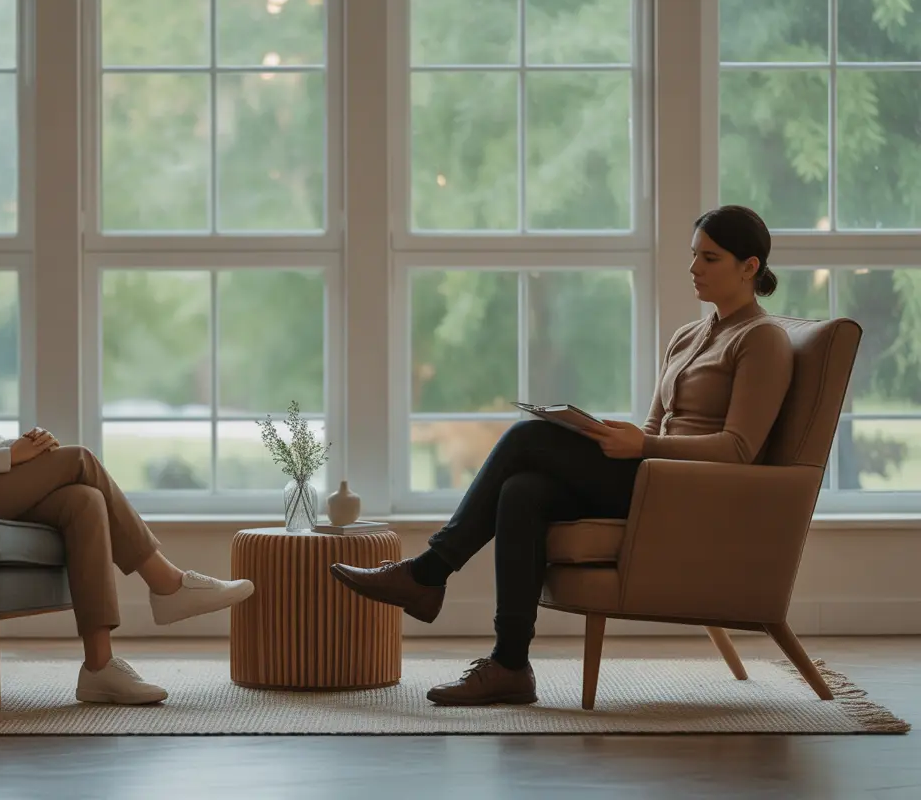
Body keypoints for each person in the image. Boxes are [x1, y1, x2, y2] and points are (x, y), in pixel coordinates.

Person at [330, 204, 795, 707]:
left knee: (526, 439)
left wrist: (644, 446)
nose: (693, 268)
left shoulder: (762, 340)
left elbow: (739, 449)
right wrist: (612, 436)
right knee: (522, 491)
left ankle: (427, 573)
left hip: (690, 495)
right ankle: (510, 664)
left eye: (710, 258)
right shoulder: (689, 335)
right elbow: (654, 428)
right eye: (693, 255)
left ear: (749, 267)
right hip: (652, 476)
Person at [0, 233, 255, 706]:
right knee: (78, 459)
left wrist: (19, 448)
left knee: (83, 500)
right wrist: (7, 460)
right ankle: (167, 583)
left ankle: (99, 667)